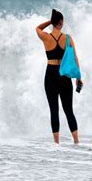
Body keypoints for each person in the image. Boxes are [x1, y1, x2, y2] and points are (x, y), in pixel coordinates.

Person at [35, 9, 83, 144]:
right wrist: (78, 77)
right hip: (64, 76)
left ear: (53, 23)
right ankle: (76, 141)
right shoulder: (67, 38)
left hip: (50, 75)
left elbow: (37, 28)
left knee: (54, 111)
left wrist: (50, 21)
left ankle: (56, 144)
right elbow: (74, 58)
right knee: (69, 111)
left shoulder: (45, 37)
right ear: (61, 22)